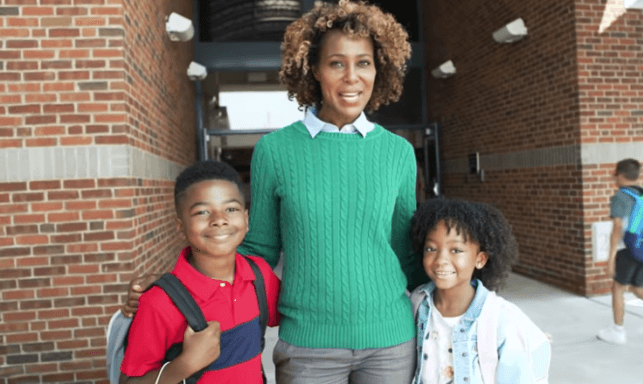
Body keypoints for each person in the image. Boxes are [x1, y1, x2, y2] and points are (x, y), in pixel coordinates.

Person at [121, 1, 427, 383]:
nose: (352, 76)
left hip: (391, 341)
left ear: (377, 68)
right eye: (336, 63)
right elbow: (256, 250)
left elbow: (407, 250)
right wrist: (169, 293)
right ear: (314, 69)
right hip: (309, 345)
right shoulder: (275, 151)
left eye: (363, 62)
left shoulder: (397, 152)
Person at [120, 161, 280, 384]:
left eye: (231, 209)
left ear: (246, 219)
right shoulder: (159, 302)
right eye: (202, 212)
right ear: (180, 226)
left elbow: (298, 313)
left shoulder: (259, 276)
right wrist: (185, 365)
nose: (219, 220)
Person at [409, 198, 550, 383]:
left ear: (480, 259)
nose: (440, 259)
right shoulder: (417, 304)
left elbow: (538, 352)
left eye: (456, 250)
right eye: (431, 248)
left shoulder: (501, 319)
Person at [596, 159, 643, 345]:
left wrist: (610, 258)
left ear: (620, 175)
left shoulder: (620, 196)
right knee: (637, 288)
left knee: (618, 288)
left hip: (627, 249)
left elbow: (617, 228)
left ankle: (617, 331)